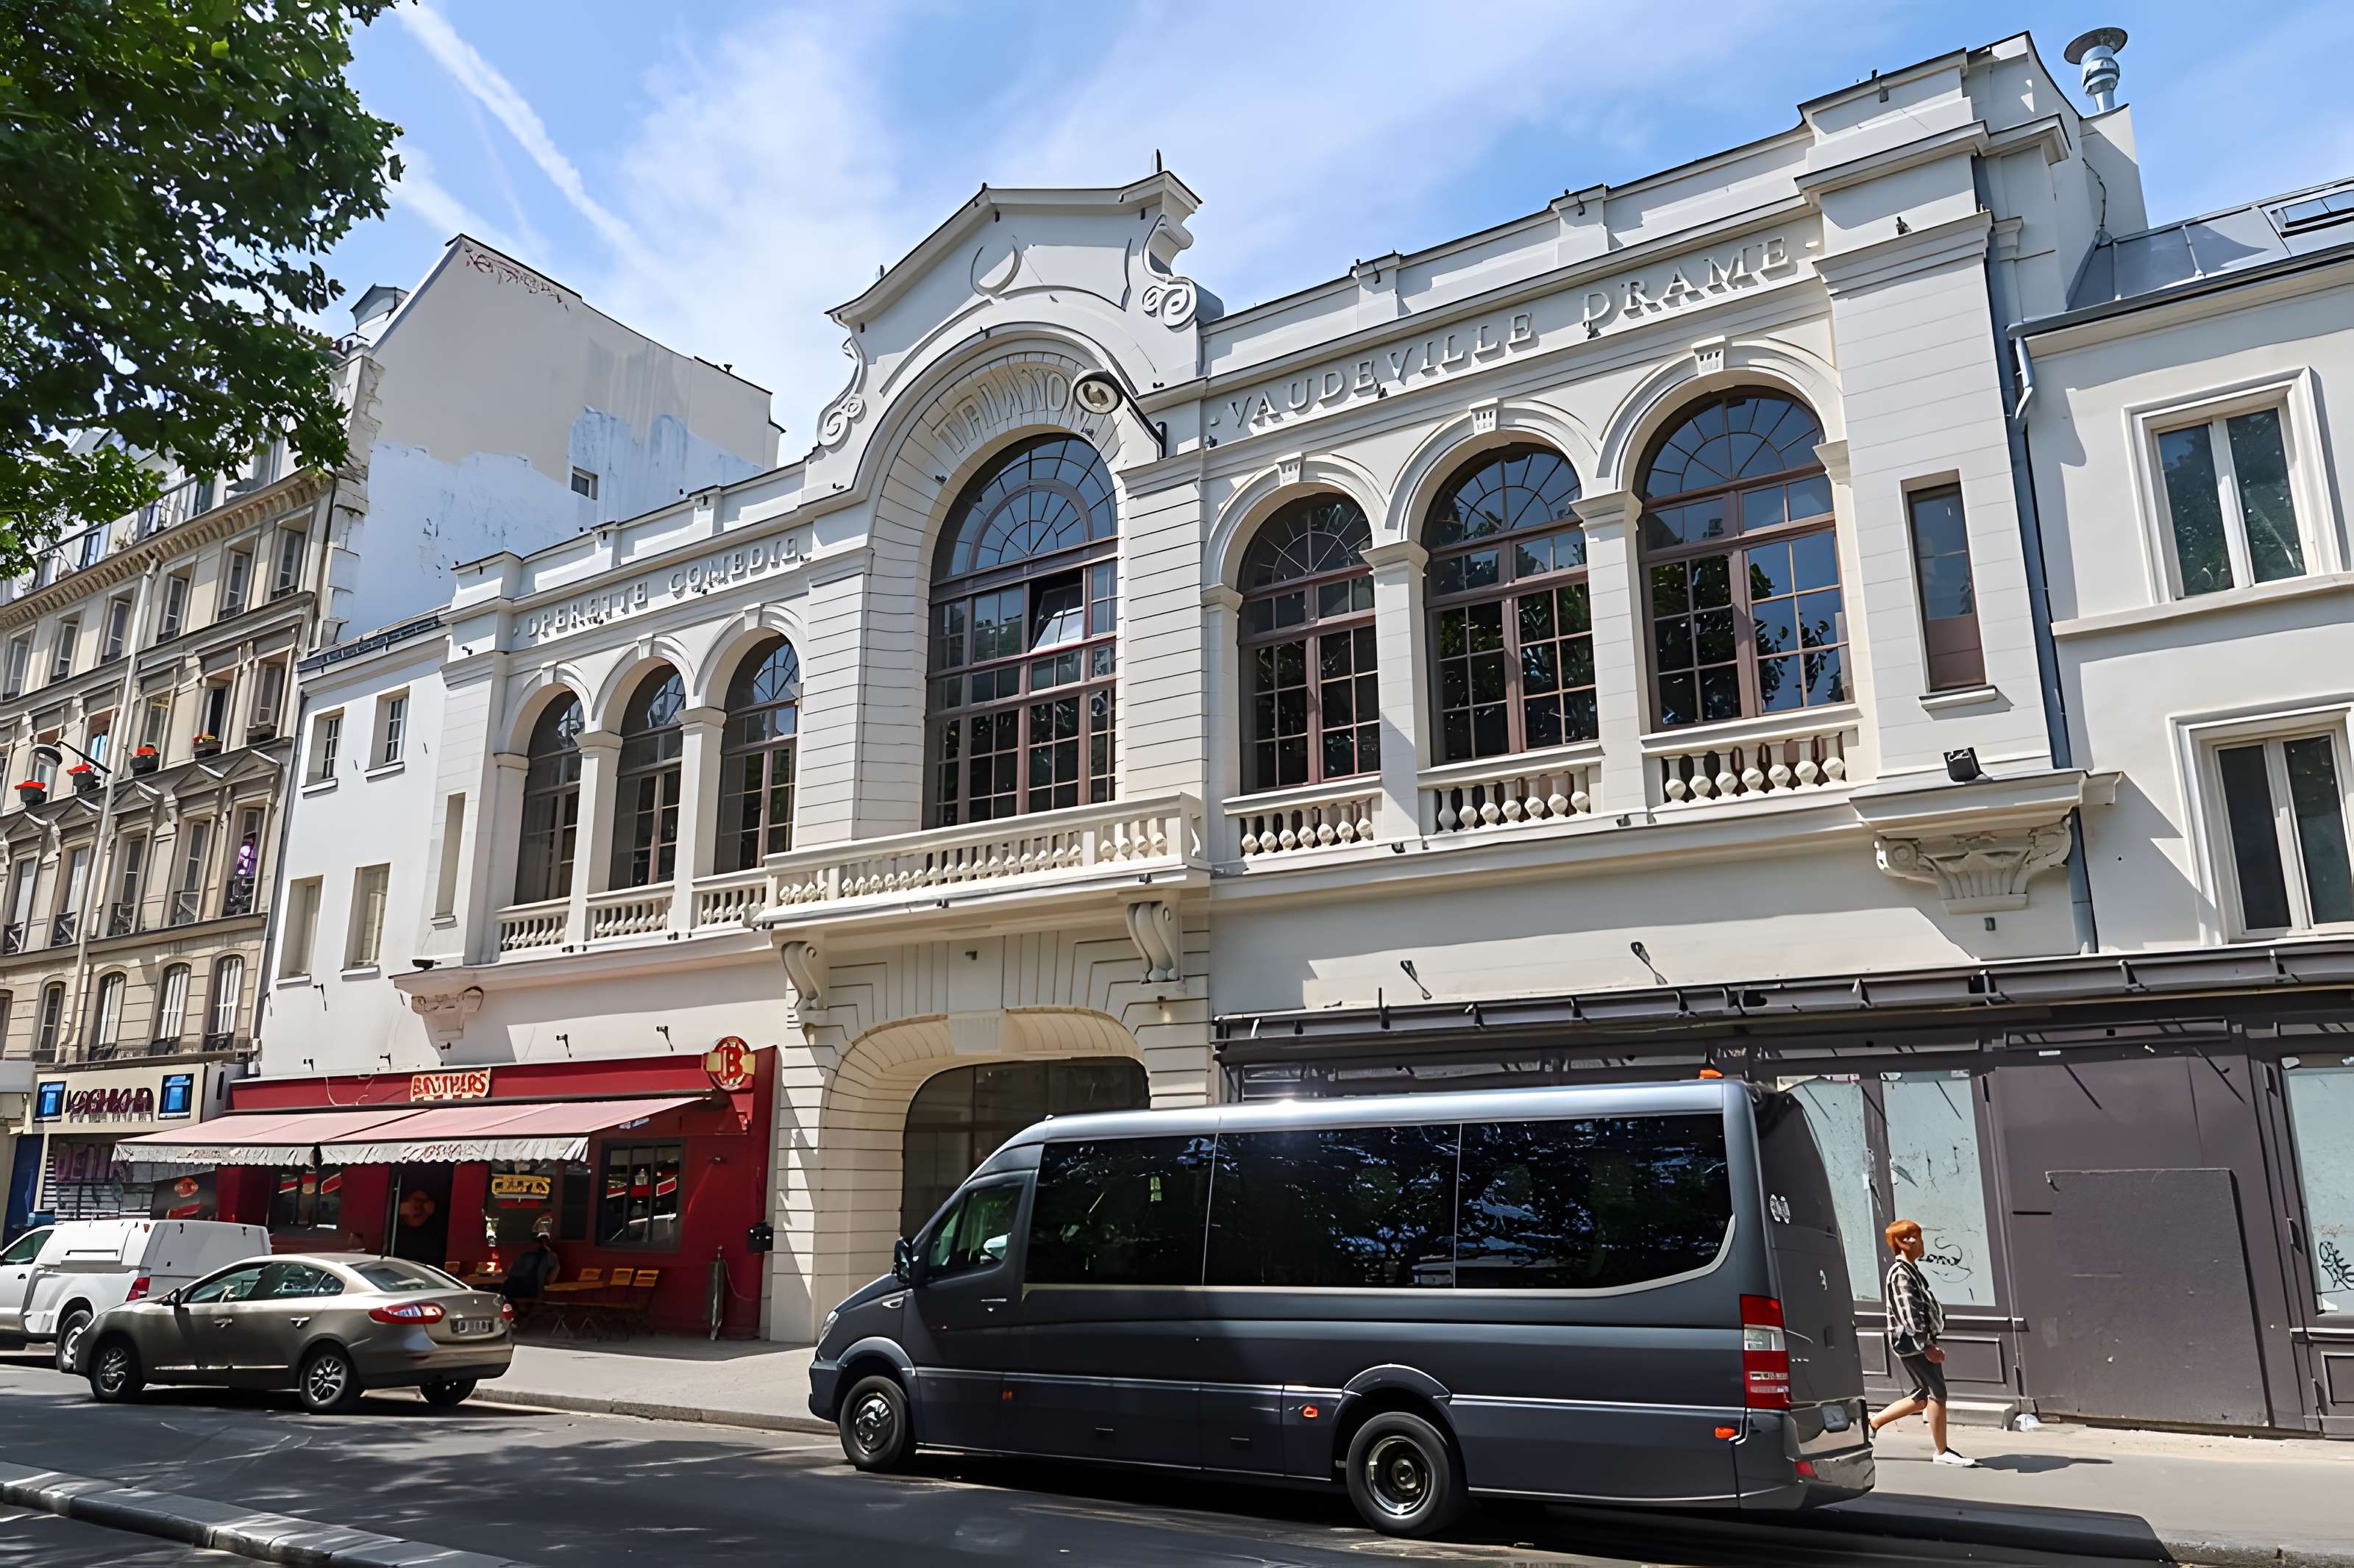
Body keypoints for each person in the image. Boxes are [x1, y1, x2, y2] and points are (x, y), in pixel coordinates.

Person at [1868, 1218, 1979, 1467]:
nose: (1919, 1242)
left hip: (1912, 1343)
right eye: (1913, 1237)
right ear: (1900, 1242)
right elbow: (1909, 1312)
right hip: (1913, 1343)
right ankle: (1942, 1452)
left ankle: (1872, 1424)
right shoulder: (1901, 1273)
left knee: (1922, 1396)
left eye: (1918, 1236)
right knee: (1938, 1393)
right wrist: (1926, 1345)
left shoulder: (1910, 1271)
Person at [500, 1228, 561, 1311]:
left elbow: (511, 1271)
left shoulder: (524, 1255)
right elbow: (551, 1278)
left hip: (508, 1290)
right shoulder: (550, 1256)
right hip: (530, 1292)